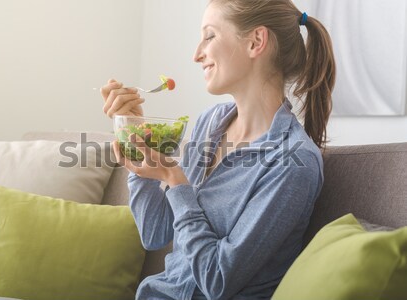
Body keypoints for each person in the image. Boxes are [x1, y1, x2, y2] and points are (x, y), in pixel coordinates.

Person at [101, 0, 335, 299]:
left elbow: (217, 281)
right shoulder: (210, 123)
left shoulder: (292, 161)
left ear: (256, 41)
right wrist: (136, 144)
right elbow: (154, 232)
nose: (197, 54)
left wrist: (175, 180)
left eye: (209, 36)